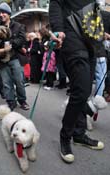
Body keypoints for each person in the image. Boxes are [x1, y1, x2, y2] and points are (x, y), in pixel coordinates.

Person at [49, 0, 106, 163]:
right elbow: (56, 3)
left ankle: (79, 134)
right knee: (81, 90)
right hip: (72, 36)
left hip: (91, 43)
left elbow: (98, 13)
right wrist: (58, 29)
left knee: (85, 90)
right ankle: (65, 137)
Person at [0, 2, 29, 111]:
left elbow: (22, 39)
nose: (1, 14)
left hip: (15, 58)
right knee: (6, 83)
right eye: (0, 13)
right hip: (2, 60)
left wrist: (9, 43)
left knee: (19, 81)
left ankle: (22, 100)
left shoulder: (18, 26)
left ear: (9, 14)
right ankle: (11, 101)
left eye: (3, 12)